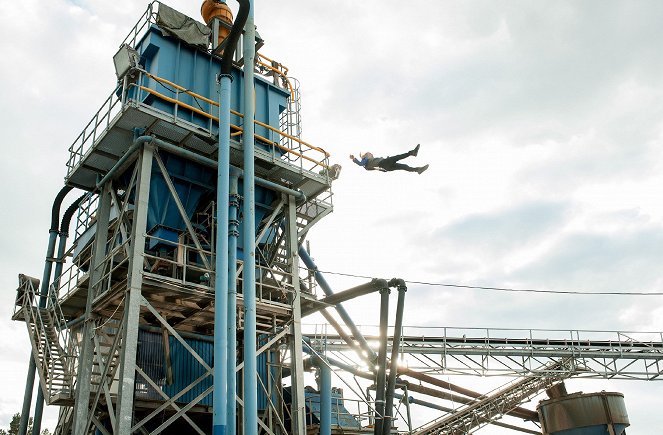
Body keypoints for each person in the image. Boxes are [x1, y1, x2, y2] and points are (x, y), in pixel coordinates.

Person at [349, 144, 429, 174]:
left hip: (386, 167)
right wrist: (354, 159)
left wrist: (382, 169)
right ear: (366, 155)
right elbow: (360, 164)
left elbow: (374, 168)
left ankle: (418, 170)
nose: (371, 154)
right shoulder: (366, 160)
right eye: (369, 153)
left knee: (404, 166)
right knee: (397, 157)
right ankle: (412, 153)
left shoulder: (371, 162)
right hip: (384, 164)